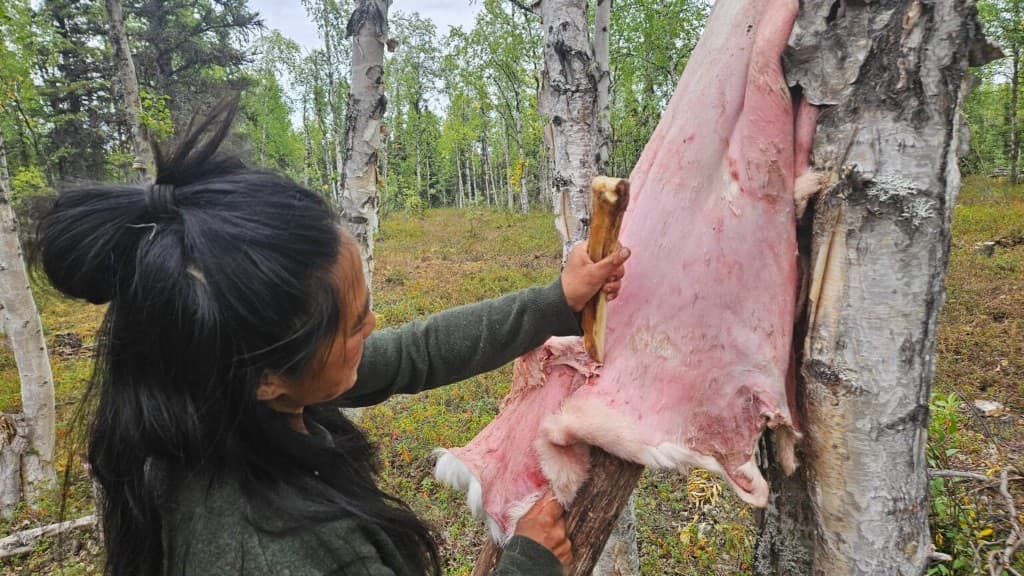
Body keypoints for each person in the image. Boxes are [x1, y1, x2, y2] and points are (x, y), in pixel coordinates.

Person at [36, 99, 630, 576]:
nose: (373, 329)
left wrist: (557, 300)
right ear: (266, 376)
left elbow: (415, 352)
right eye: (352, 326)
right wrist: (526, 565)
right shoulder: (289, 550)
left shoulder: (205, 404)